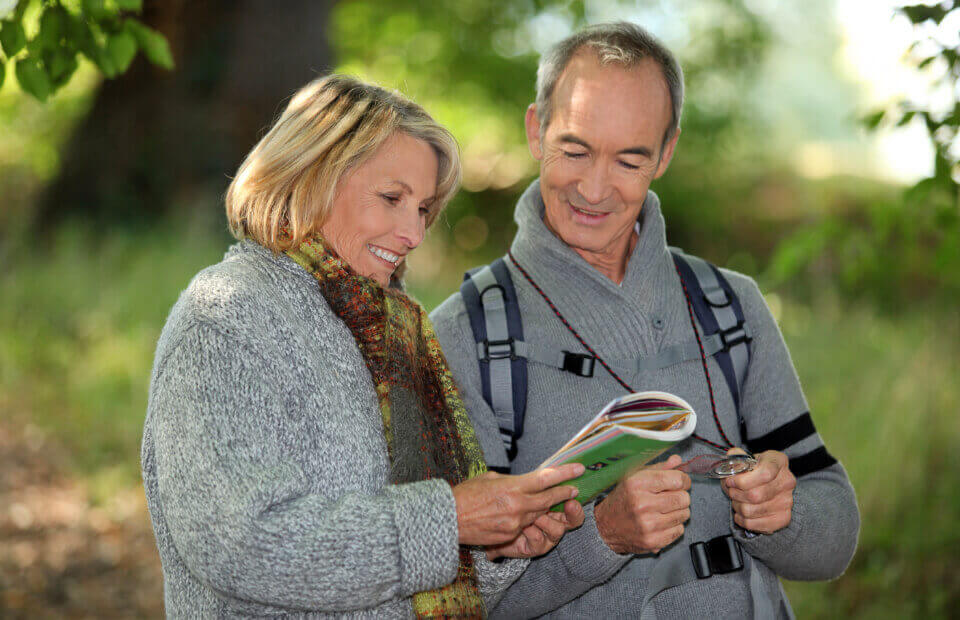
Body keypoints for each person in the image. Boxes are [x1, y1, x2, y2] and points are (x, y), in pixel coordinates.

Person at [430, 22, 860, 618]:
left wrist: (782, 516)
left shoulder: (728, 304)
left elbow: (834, 537)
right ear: (536, 129)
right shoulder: (468, 334)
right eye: (575, 150)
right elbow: (459, 595)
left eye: (629, 160)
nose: (595, 188)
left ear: (666, 153)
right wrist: (602, 538)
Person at [141, 74, 586, 618]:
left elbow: (414, 579)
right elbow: (238, 546)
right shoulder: (226, 316)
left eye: (422, 208)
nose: (414, 233)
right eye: (391, 197)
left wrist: (501, 545)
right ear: (311, 176)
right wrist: (449, 519)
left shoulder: (396, 332)